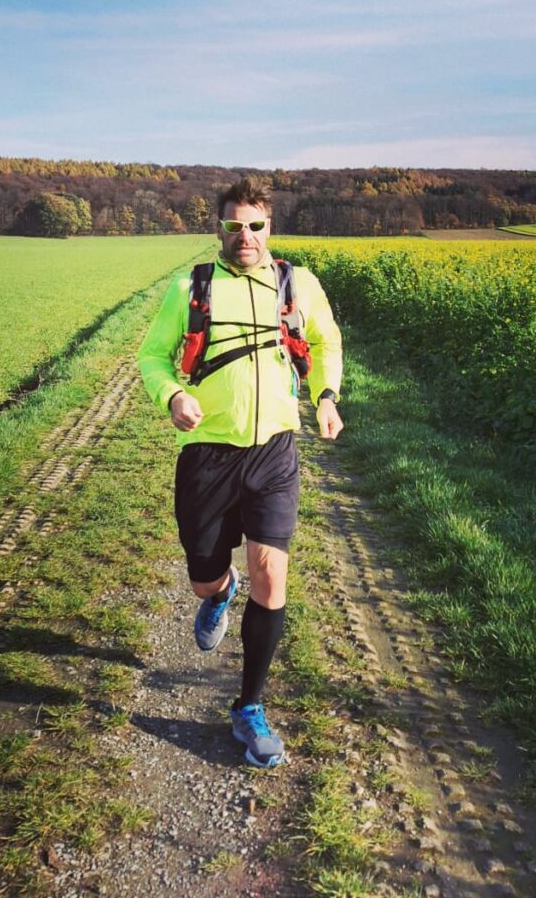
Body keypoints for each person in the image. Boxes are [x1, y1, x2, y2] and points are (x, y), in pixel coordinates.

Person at [137, 177, 343, 767]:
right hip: (208, 455)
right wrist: (172, 396)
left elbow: (327, 342)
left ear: (269, 228)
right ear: (219, 229)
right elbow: (152, 356)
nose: (245, 236)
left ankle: (249, 708)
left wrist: (326, 398)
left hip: (274, 451)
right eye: (234, 225)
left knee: (271, 576)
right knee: (207, 572)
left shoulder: (296, 284)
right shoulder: (191, 287)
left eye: (255, 225)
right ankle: (218, 593)